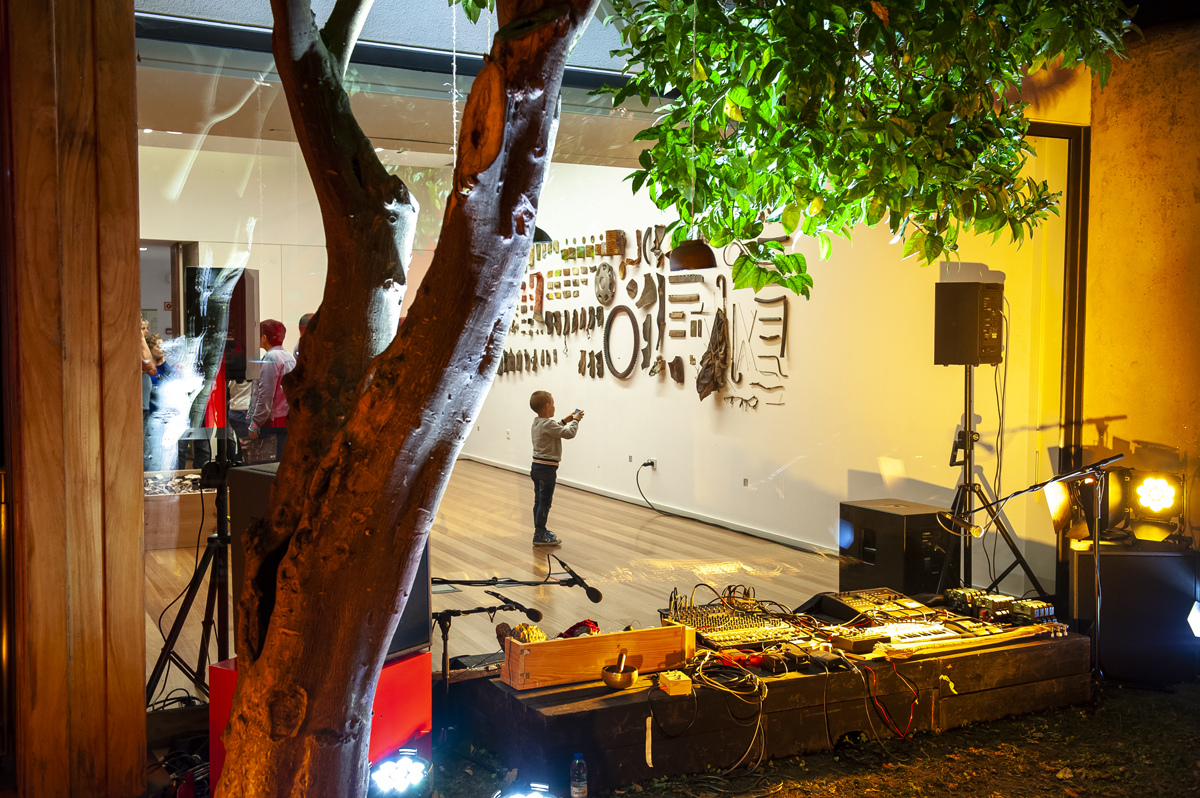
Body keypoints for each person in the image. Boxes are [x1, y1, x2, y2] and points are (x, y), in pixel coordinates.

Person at [529, 391, 583, 547]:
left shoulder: (537, 422)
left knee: (538, 501)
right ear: (547, 406)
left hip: (536, 468)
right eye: (553, 404)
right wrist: (575, 420)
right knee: (545, 502)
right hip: (547, 471)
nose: (554, 407)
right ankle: (539, 534)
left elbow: (553, 430)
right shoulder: (548, 424)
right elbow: (569, 433)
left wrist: (564, 421)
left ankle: (539, 530)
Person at [249, 319, 296, 461]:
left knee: (266, 465)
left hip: (271, 422)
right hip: (286, 419)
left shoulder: (270, 358)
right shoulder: (290, 357)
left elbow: (265, 394)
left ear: (264, 337)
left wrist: (255, 422)